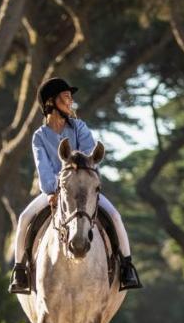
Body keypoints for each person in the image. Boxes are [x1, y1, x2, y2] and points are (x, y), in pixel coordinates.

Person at [9, 77, 142, 294]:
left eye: (71, 98)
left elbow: (90, 154)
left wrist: (81, 179)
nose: (71, 102)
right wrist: (54, 190)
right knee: (24, 218)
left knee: (115, 216)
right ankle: (20, 271)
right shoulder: (39, 137)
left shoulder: (79, 127)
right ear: (51, 102)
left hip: (84, 190)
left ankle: (127, 266)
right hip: (56, 191)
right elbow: (43, 167)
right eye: (66, 98)